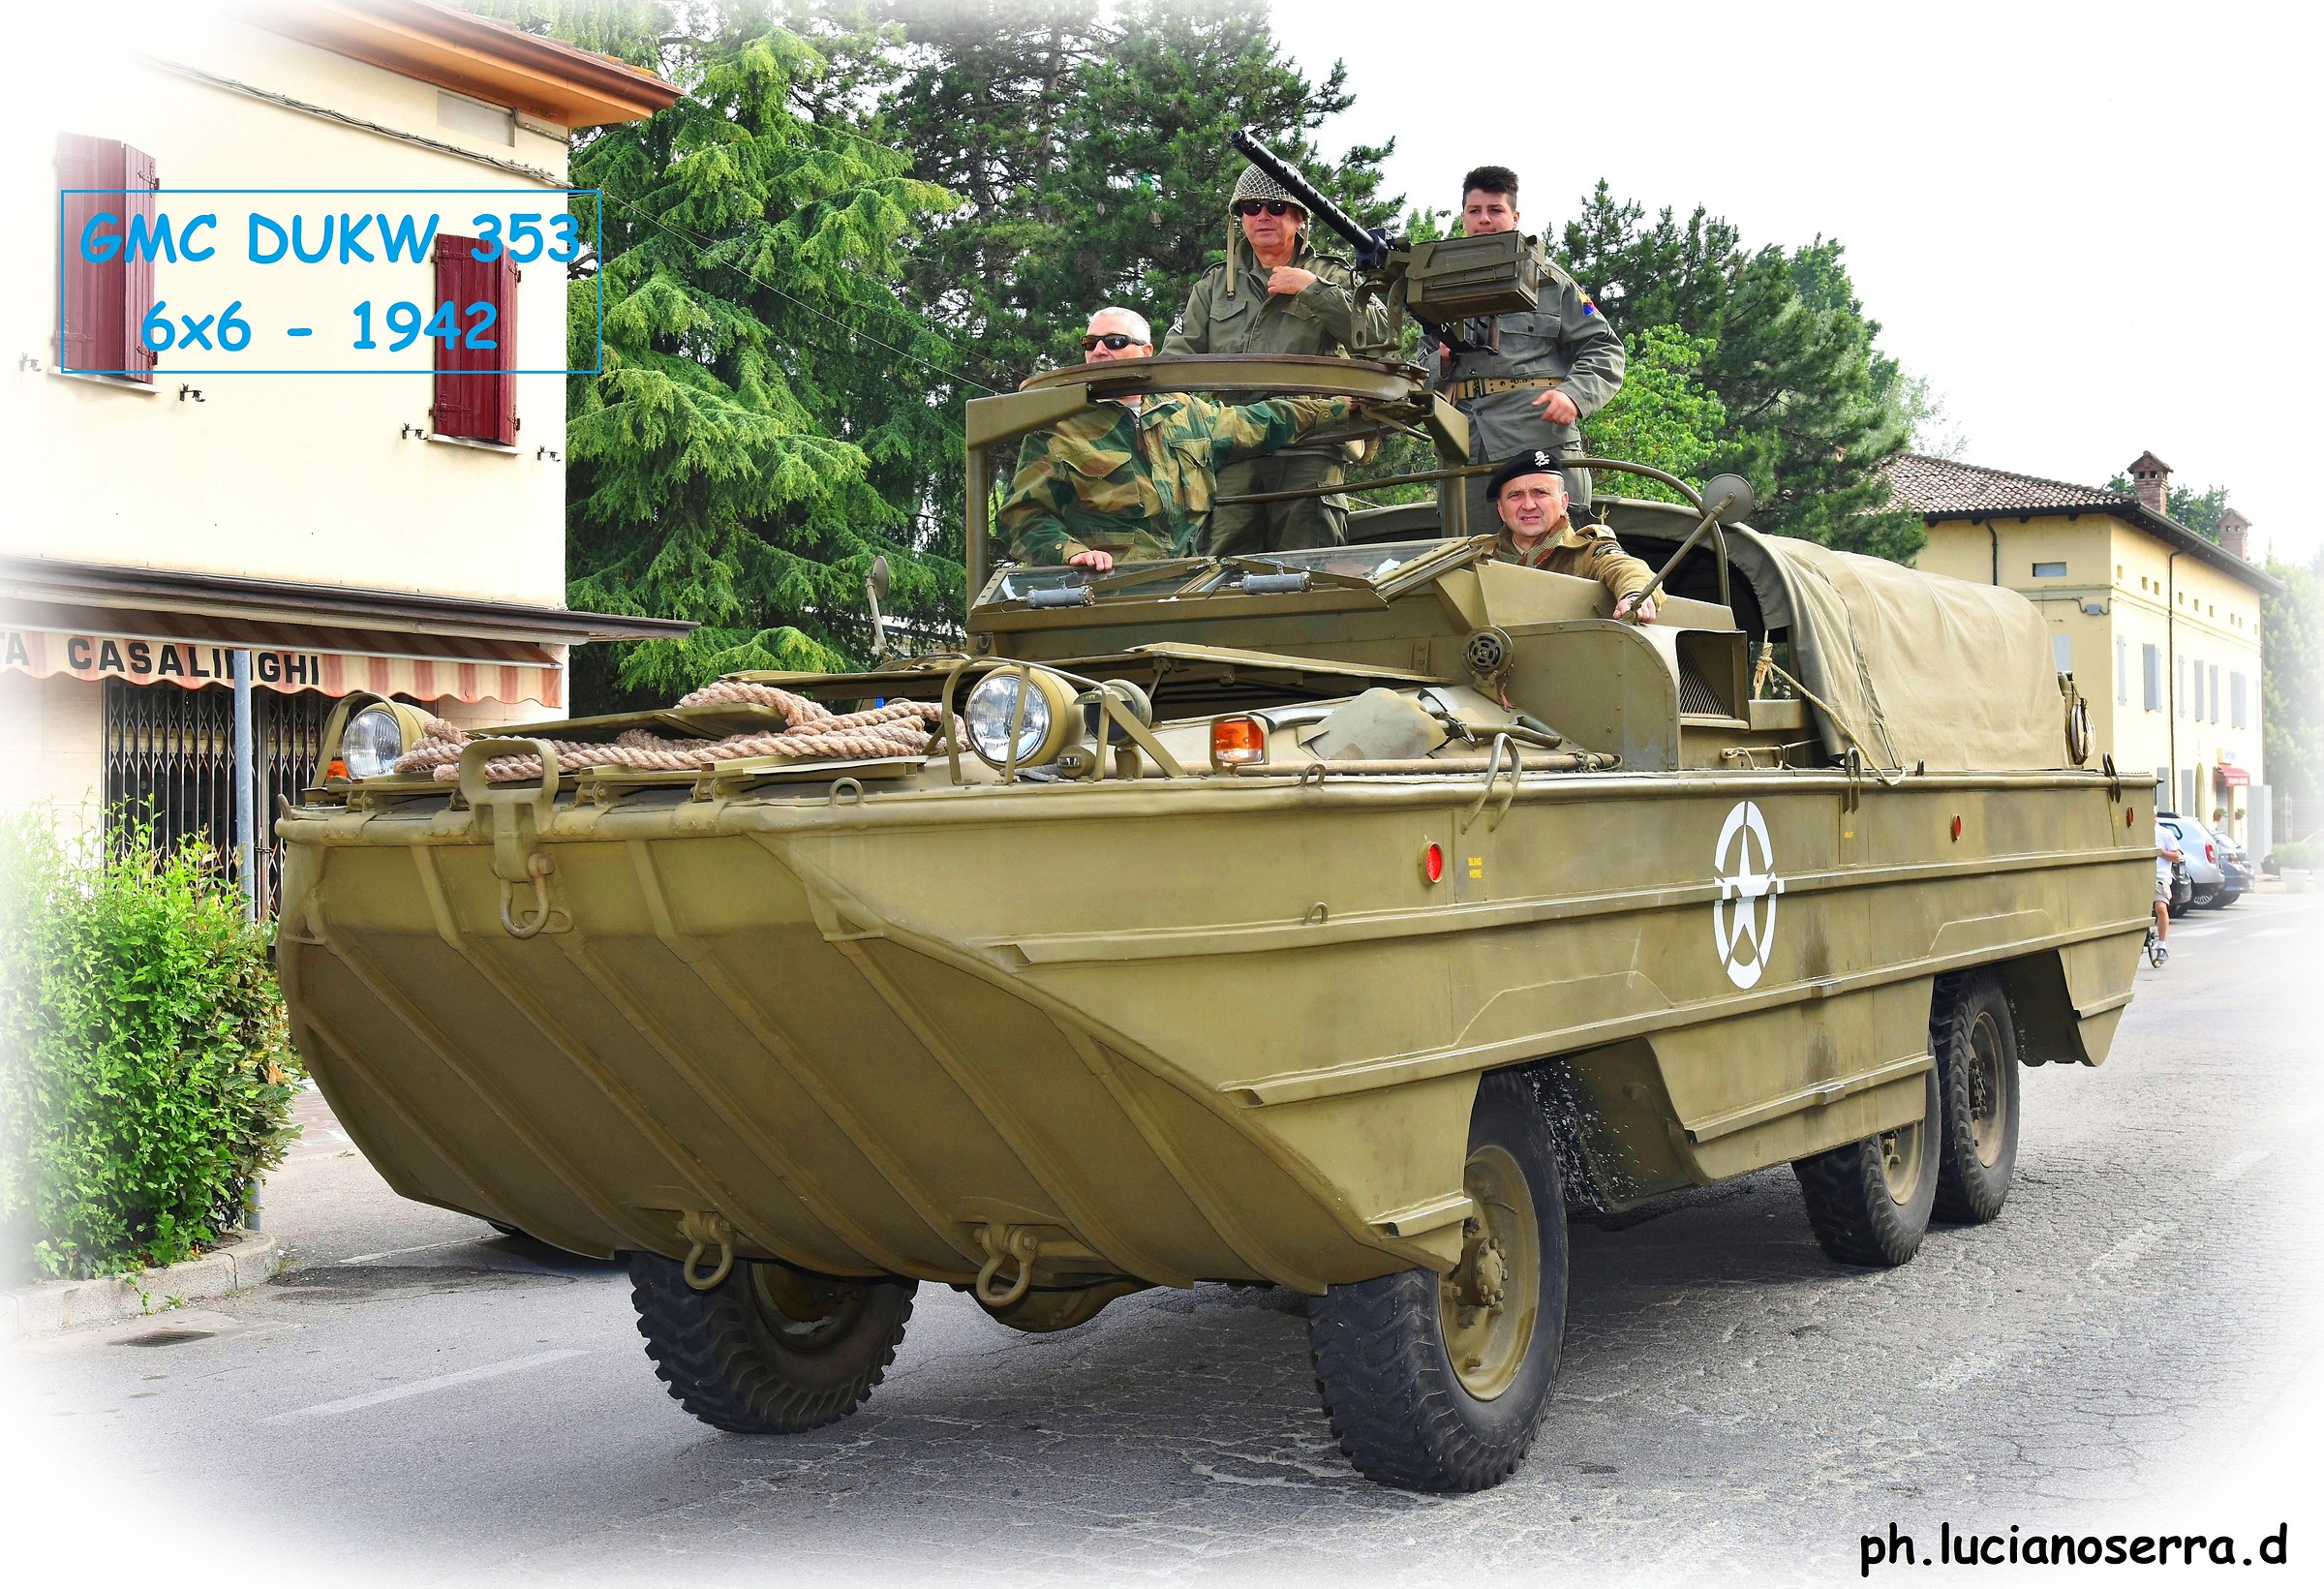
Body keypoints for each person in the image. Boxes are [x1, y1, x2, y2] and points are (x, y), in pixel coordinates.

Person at [997, 307, 1358, 571]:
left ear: (1146, 352)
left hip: (1188, 582)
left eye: (1116, 341)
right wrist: (1070, 552)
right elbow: (1022, 515)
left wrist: (1339, 406)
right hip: (1103, 588)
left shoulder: (1185, 414)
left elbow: (1262, 421)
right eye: (1091, 343)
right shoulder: (1058, 426)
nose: (1100, 351)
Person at [1161, 165, 1389, 556]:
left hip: (1311, 448)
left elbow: (1379, 336)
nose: (1262, 216)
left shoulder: (1331, 275)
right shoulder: (1215, 285)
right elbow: (1174, 364)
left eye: (1276, 207)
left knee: (1307, 570)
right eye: (1251, 207)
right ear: (1240, 219)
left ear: (1300, 218)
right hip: (1233, 450)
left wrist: (1313, 290)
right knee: (1221, 571)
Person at [1424, 165, 1625, 531]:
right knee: (1471, 567)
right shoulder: (1437, 290)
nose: (1484, 220)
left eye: (1495, 210)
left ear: (1515, 218)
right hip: (1465, 454)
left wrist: (1574, 396)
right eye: (1475, 211)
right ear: (1463, 218)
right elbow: (1416, 375)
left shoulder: (1551, 283)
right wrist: (1439, 360)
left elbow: (1605, 350)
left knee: (1558, 566)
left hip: (1537, 443)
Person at [1485, 451, 1657, 621]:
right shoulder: (1479, 555)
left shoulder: (1587, 554)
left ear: (1563, 502)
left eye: (1540, 492)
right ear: (1501, 509)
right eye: (1516, 495)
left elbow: (1626, 567)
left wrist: (1634, 595)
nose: (1529, 505)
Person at [2153, 829, 2185, 962]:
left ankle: (2162, 946)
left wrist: (2159, 852)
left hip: (2160, 877)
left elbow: (2177, 857)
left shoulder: (2164, 833)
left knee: (2160, 907)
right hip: (2140, 877)